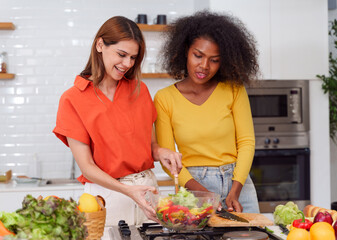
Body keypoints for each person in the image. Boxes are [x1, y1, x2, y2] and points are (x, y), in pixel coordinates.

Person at [53, 16, 182, 226]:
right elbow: (87, 167)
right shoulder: (73, 99)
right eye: (121, 55)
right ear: (100, 45)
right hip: (107, 196)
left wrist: (163, 153)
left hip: (147, 192)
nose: (127, 64)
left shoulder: (140, 90)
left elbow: (151, 146)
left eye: (133, 57)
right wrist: (128, 191)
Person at [154, 11, 260, 213]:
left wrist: (235, 190)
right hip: (193, 187)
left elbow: (246, 142)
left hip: (239, 184)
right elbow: (168, 161)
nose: (204, 66)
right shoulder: (164, 98)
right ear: (185, 51)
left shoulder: (233, 89)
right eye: (198, 55)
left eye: (214, 60)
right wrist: (204, 194)